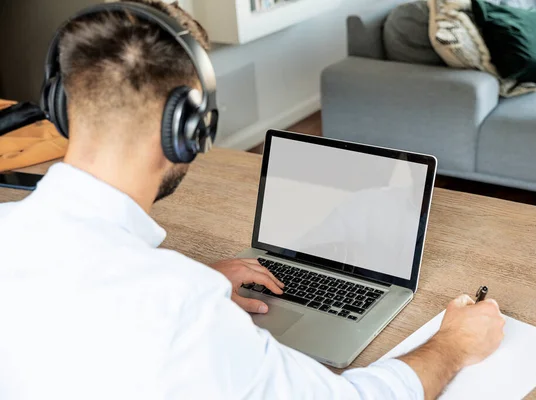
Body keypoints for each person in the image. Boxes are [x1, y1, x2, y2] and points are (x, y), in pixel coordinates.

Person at [0, 1, 505, 399]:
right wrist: (453, 346)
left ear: (61, 106)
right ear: (189, 129)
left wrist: (200, 279)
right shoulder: (181, 309)